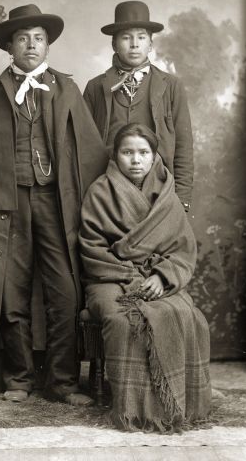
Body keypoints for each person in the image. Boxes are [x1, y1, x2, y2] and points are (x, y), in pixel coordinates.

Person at [0, 4, 108, 405]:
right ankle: (19, 378)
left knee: (64, 293)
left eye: (38, 38)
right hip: (5, 206)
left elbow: (90, 155)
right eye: (22, 38)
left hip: (57, 203)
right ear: (9, 46)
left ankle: (61, 382)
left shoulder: (67, 89)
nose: (31, 45)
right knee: (10, 293)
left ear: (47, 44)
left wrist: (92, 212)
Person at [79, 123, 211, 432]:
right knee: (124, 321)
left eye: (143, 152)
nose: (135, 160)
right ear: (115, 155)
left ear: (154, 156)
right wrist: (131, 277)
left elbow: (182, 249)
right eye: (127, 152)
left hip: (157, 277)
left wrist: (163, 278)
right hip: (110, 277)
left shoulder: (167, 193)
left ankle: (180, 402)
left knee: (189, 316)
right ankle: (134, 409)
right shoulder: (100, 191)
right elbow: (92, 248)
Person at [83, 0, 193, 210]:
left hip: (160, 190)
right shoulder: (96, 87)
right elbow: (83, 148)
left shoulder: (170, 86)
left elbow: (184, 147)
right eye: (126, 38)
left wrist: (182, 198)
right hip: (108, 190)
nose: (134, 44)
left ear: (150, 44)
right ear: (114, 44)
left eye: (141, 37)